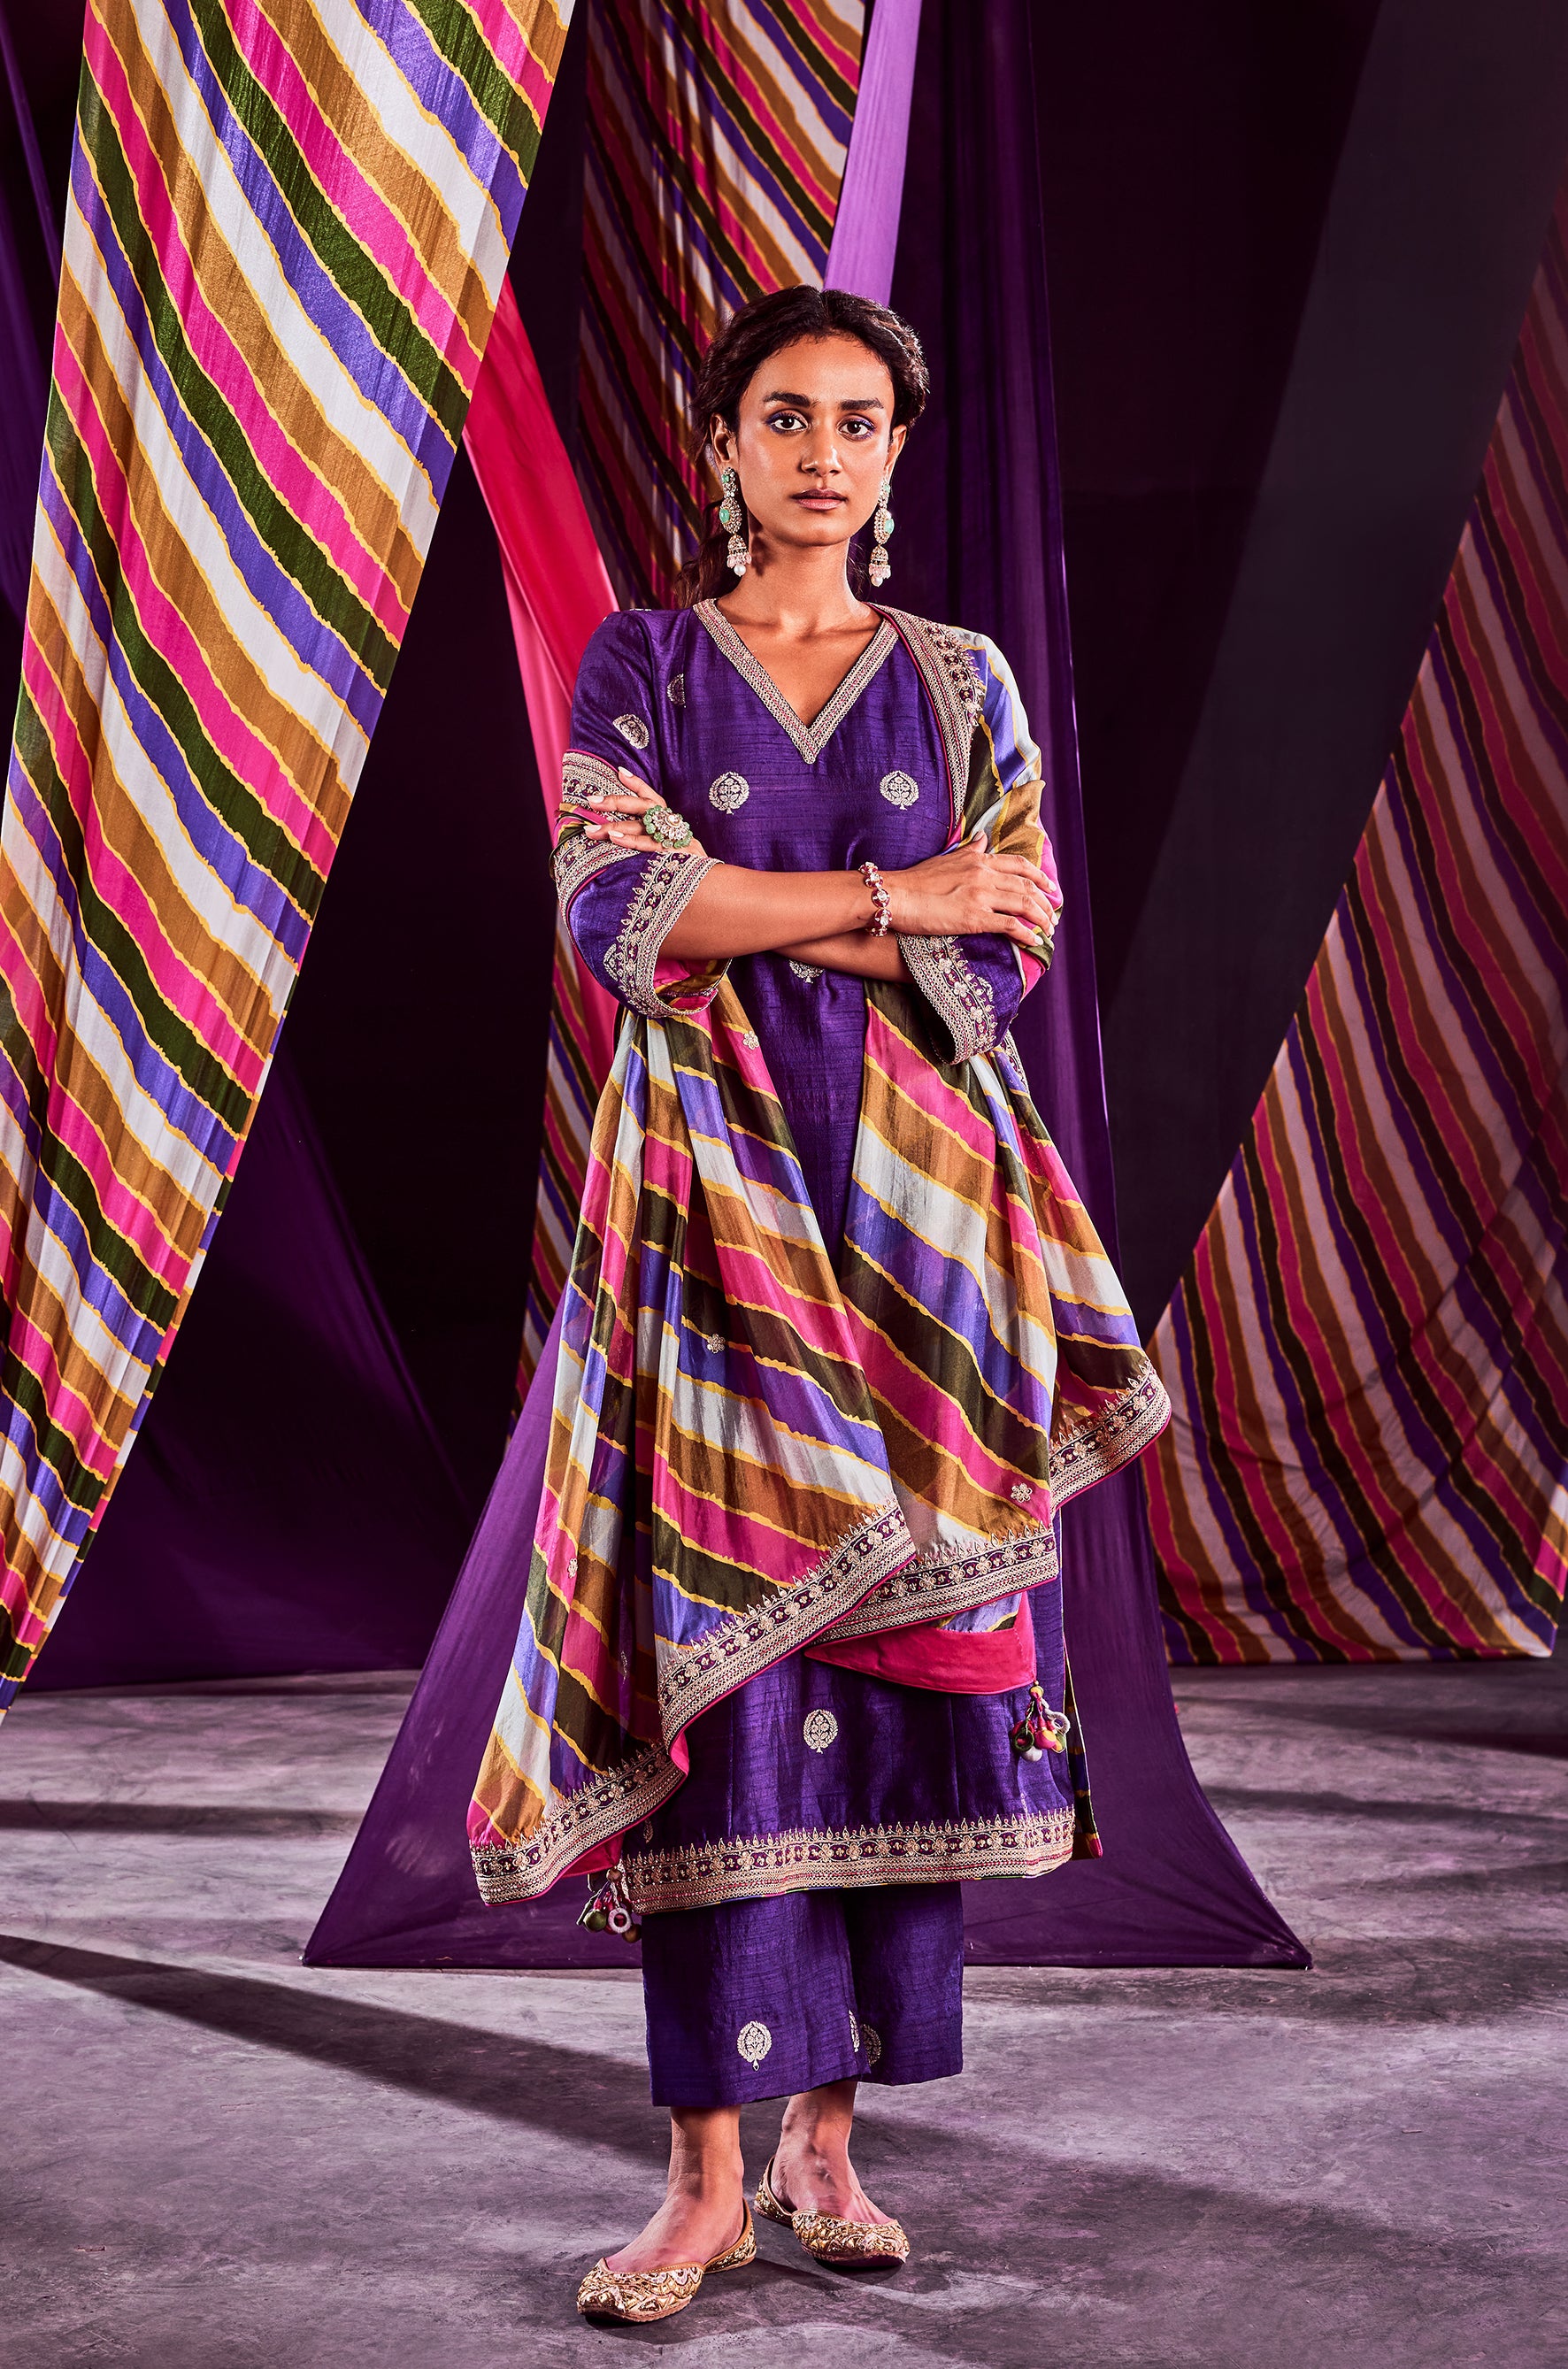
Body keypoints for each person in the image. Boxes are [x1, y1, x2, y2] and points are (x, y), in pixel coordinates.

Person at [465, 286, 1169, 2325]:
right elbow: (620, 908)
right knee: (722, 1671)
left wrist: (813, 914)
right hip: (706, 1226)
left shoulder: (960, 683)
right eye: (784, 416)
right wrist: (894, 897)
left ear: (893, 451)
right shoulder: (647, 662)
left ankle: (827, 2149)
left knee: (902, 1671)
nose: (823, 454)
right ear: (721, 443)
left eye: (859, 420)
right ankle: (700, 2178)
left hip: (926, 1242)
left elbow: (1004, 951)